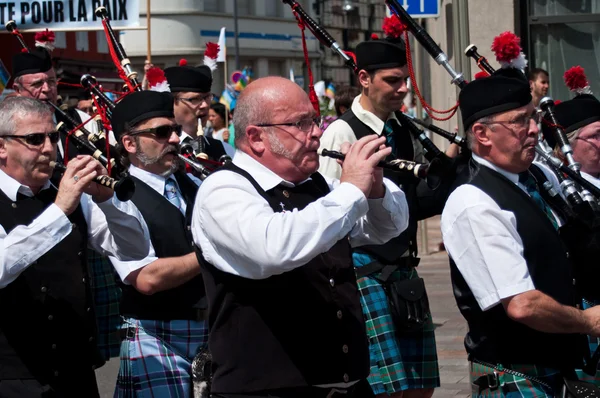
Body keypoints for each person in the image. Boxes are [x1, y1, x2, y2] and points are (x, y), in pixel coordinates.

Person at [192, 76, 410, 398]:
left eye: (315, 120)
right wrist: (351, 189)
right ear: (256, 137)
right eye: (301, 123)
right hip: (268, 392)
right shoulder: (223, 189)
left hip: (349, 387)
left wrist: (373, 186)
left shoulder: (316, 186)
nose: (317, 132)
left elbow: (387, 228)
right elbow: (274, 249)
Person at [441, 66, 600, 396]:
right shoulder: (473, 201)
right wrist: (589, 322)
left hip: (565, 364)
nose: (534, 131)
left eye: (533, 118)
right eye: (519, 122)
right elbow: (522, 305)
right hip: (516, 373)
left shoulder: (540, 176)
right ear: (482, 134)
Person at [319, 34, 444, 398]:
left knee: (421, 387)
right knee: (386, 390)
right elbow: (332, 209)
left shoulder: (403, 129)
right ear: (364, 79)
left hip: (404, 270)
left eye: (405, 80)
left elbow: (413, 201)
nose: (403, 88)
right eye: (393, 80)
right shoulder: (341, 132)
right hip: (365, 271)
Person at [0, 96, 150, 398]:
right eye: (33, 139)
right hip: (13, 380)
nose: (47, 148)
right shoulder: (64, 199)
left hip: (76, 373)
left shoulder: (69, 193)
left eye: (52, 137)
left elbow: (135, 249)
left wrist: (108, 200)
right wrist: (60, 209)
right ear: (2, 147)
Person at [109, 90, 208, 397]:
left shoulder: (195, 184)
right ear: (130, 143)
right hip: (154, 334)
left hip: (211, 330)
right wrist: (212, 253)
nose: (175, 139)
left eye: (175, 130)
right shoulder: (115, 199)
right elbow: (147, 278)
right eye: (162, 132)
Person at [165, 64, 234, 160]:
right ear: (172, 102)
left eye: (207, 97)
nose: (205, 105)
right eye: (194, 99)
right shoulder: (163, 153)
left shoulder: (226, 151)